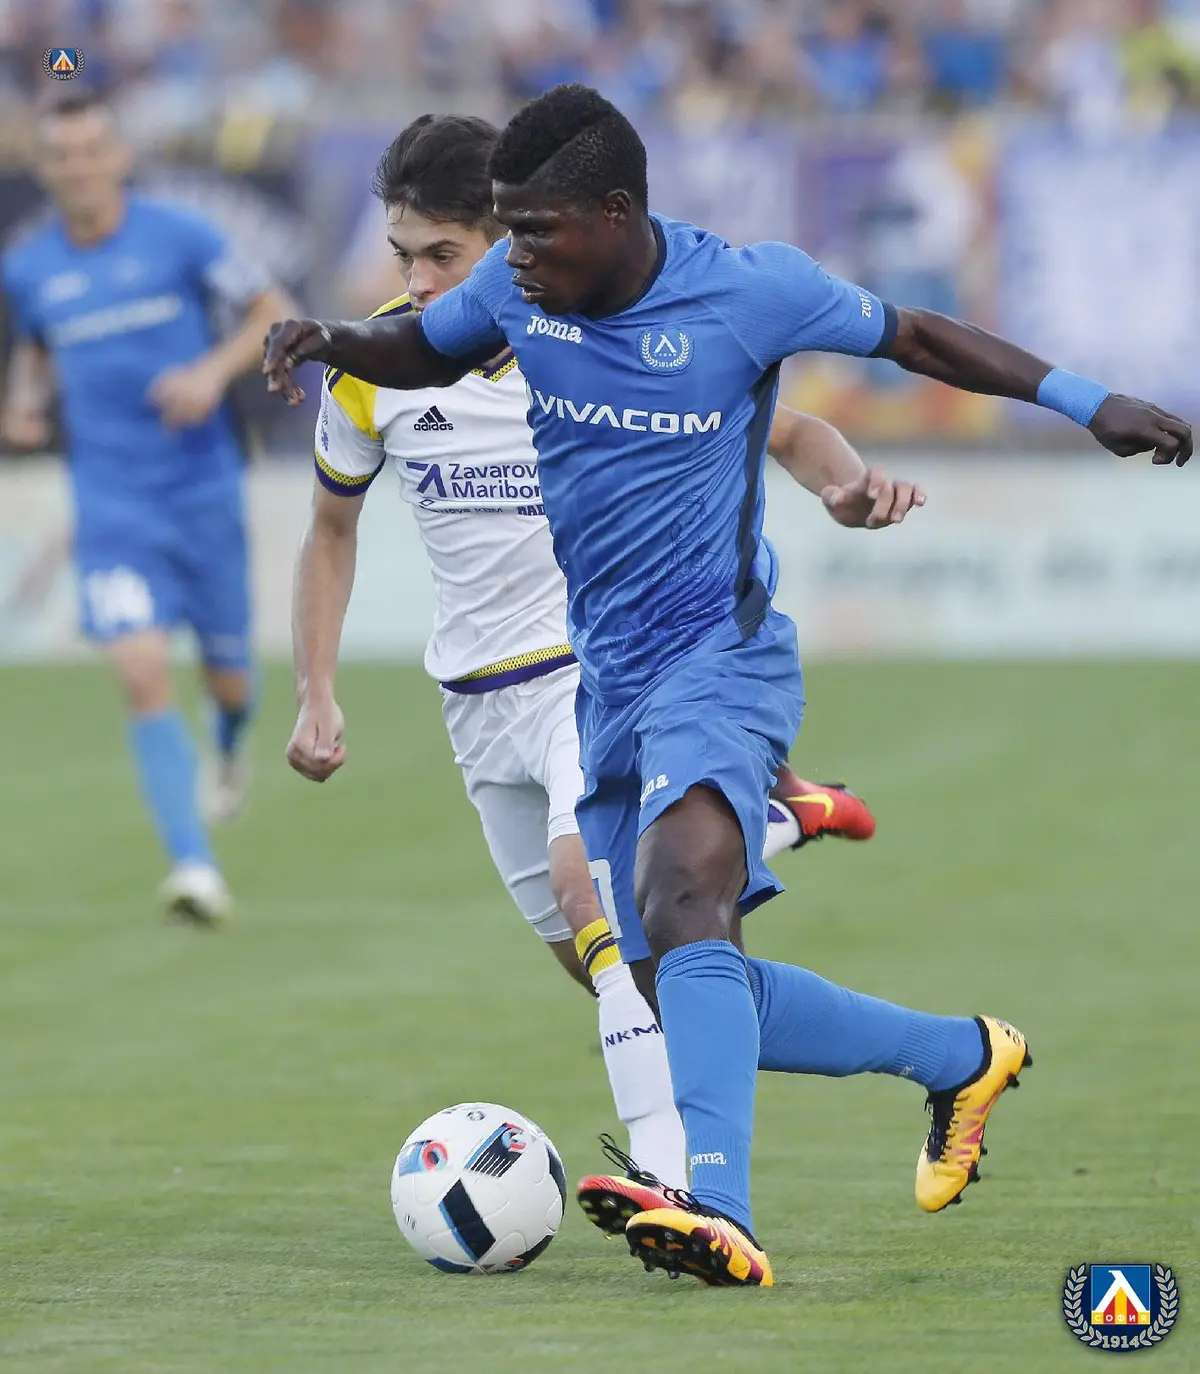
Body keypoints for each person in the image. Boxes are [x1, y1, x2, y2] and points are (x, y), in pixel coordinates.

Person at [263, 84, 1191, 1287]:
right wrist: (330, 339)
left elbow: (916, 337)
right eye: (507, 233)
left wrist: (1089, 403)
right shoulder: (514, 289)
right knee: (672, 979)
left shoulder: (750, 290)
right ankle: (959, 1057)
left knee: (684, 893)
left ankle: (717, 1209)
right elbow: (419, 349)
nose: (514, 259)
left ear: (615, 212)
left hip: (721, 656)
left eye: (535, 232)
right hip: (609, 681)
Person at [286, 113, 894, 1191]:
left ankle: (676, 1185)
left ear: (511, 239)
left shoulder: (584, 330)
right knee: (630, 977)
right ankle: (795, 844)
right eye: (402, 256)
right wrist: (316, 690)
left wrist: (846, 484)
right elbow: (331, 531)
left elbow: (792, 432)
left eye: (443, 255)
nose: (418, 282)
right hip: (477, 701)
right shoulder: (372, 367)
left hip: (599, 676)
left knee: (592, 897)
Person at [1, 88, 297, 923]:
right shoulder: (28, 268)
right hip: (111, 506)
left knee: (233, 681)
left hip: (202, 492)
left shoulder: (182, 235)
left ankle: (229, 741)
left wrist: (209, 374)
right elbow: (36, 344)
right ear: (44, 168)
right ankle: (194, 867)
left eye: (91, 151)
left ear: (119, 157)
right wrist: (25, 400)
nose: (78, 168)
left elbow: (273, 312)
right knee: (139, 669)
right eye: (62, 156)